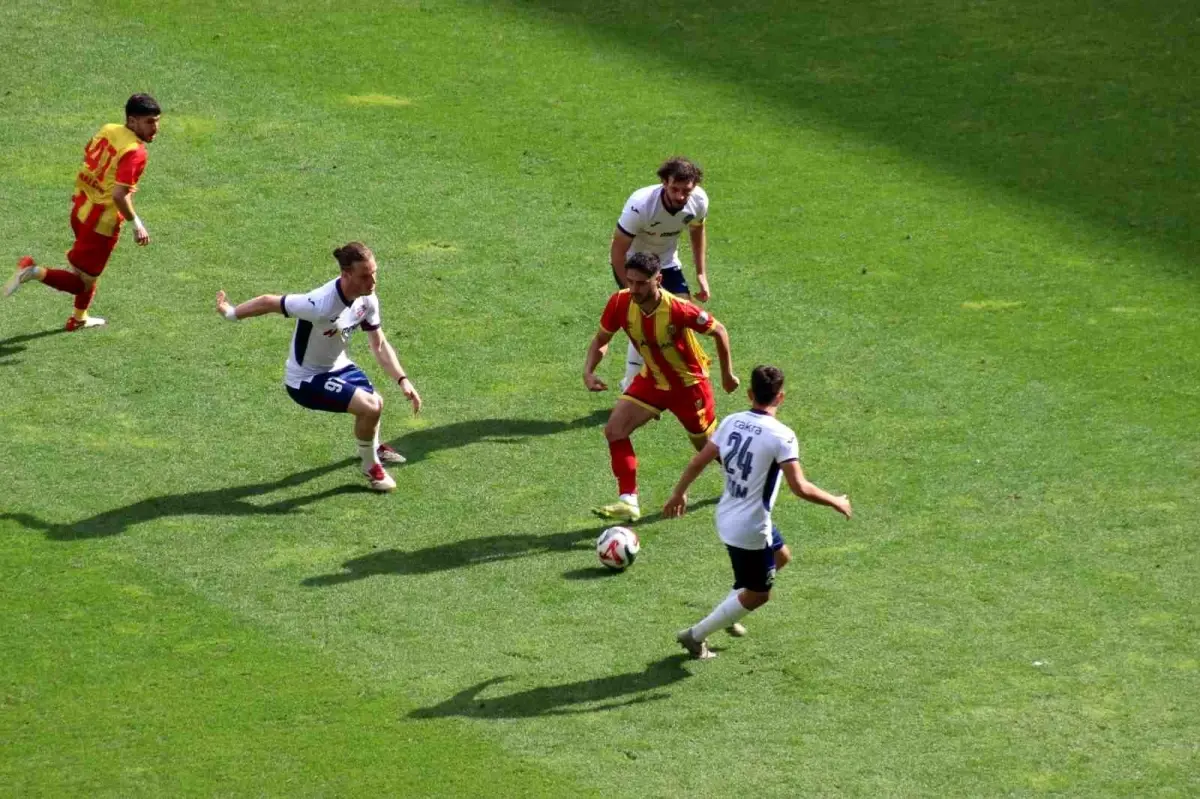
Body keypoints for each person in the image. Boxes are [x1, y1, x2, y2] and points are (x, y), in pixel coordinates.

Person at [663, 365, 852, 660]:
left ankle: (731, 609)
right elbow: (800, 487)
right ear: (781, 397)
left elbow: (699, 461)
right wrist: (835, 500)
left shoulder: (730, 421)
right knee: (759, 594)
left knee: (781, 556)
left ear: (750, 393)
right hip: (750, 527)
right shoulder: (782, 436)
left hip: (726, 513)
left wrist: (679, 493)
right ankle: (695, 636)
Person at [214, 242, 422, 492]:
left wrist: (402, 379)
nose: (373, 281)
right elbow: (270, 302)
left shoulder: (367, 300)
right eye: (365, 276)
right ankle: (371, 467)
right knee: (371, 406)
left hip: (338, 366)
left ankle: (371, 447)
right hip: (305, 380)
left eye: (374, 272)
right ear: (346, 275)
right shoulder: (319, 304)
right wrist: (231, 312)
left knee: (376, 402)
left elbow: (378, 345)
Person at [583, 252, 739, 522]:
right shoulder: (620, 302)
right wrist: (588, 371)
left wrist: (727, 375)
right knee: (614, 430)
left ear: (659, 280)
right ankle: (628, 500)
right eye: (630, 281)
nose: (634, 289)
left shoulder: (678, 309)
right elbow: (601, 339)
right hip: (652, 379)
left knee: (707, 449)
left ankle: (747, 477)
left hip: (689, 388)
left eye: (641, 283)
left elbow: (719, 331)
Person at [3, 94, 162, 330]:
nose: (155, 128)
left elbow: (89, 156)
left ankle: (79, 318)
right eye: (149, 121)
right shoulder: (135, 151)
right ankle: (33, 271)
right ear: (132, 121)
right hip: (100, 223)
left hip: (80, 207)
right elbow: (119, 195)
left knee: (89, 273)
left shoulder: (109, 129)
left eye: (157, 121)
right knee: (82, 283)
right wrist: (136, 223)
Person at [611, 157, 709, 391]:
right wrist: (629, 287)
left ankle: (663, 375)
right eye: (675, 189)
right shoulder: (641, 205)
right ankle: (632, 383)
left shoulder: (699, 201)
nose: (680, 196)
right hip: (633, 263)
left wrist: (701, 274)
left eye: (686, 190)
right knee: (646, 317)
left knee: (679, 316)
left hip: (665, 262)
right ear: (664, 182)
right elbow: (618, 249)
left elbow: (697, 231)